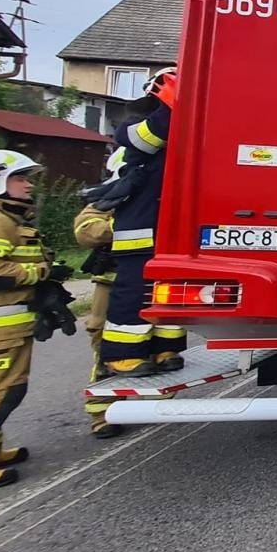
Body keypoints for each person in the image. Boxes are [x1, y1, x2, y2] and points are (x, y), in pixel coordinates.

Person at [98, 68, 184, 377]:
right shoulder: (134, 127)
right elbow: (151, 136)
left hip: (166, 229)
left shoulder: (181, 127)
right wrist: (174, 105)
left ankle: (165, 349)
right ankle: (122, 354)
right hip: (139, 228)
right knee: (134, 289)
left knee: (170, 290)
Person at [0, 151, 54, 489]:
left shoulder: (9, 220)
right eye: (21, 178)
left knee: (4, 390)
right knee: (1, 392)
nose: (28, 185)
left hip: (10, 327)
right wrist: (40, 272)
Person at [75, 148, 125, 438]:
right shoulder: (105, 200)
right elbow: (86, 231)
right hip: (110, 287)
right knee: (106, 348)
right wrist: (127, 220)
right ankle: (101, 413)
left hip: (144, 286)